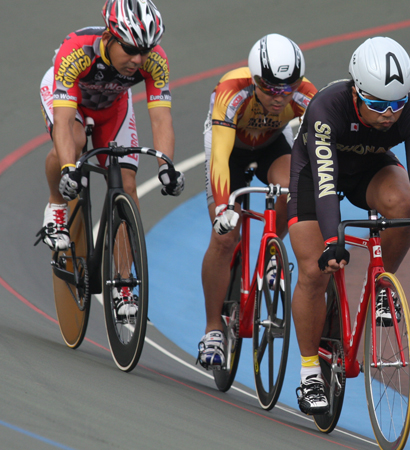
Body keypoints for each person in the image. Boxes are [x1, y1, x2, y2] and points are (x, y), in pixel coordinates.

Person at [287, 36, 410, 414]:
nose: (390, 114)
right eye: (379, 105)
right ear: (357, 91)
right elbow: (326, 184)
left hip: (368, 170)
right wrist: (333, 240)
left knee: (403, 202)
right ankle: (311, 371)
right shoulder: (327, 106)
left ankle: (382, 285)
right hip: (316, 175)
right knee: (315, 271)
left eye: (398, 103)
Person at [38, 0, 184, 317]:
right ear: (110, 36)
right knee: (73, 143)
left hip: (111, 108)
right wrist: (67, 169)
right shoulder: (77, 50)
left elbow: (161, 119)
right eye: (131, 49)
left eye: (145, 50)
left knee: (127, 187)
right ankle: (56, 206)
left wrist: (166, 167)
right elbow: (63, 122)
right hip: (69, 100)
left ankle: (124, 285)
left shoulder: (154, 61)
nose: (138, 59)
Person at [195, 33, 317, 368]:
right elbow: (219, 156)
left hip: (272, 145)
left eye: (287, 89)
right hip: (229, 147)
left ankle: (272, 250)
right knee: (224, 238)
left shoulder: (306, 94)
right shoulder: (231, 91)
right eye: (271, 89)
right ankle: (212, 330)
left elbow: (322, 151)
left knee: (294, 186)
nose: (280, 98)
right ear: (255, 78)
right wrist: (223, 209)